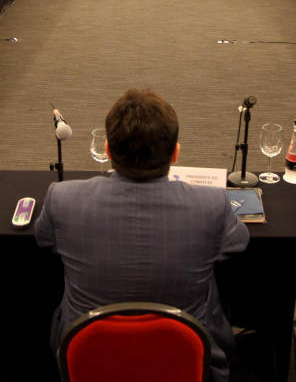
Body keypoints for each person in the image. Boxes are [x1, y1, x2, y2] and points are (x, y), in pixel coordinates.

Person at [35, 88, 249, 382]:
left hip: (86, 362)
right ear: (175, 153)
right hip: (189, 363)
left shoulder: (62, 199)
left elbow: (43, 239)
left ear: (108, 151)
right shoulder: (211, 204)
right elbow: (238, 243)